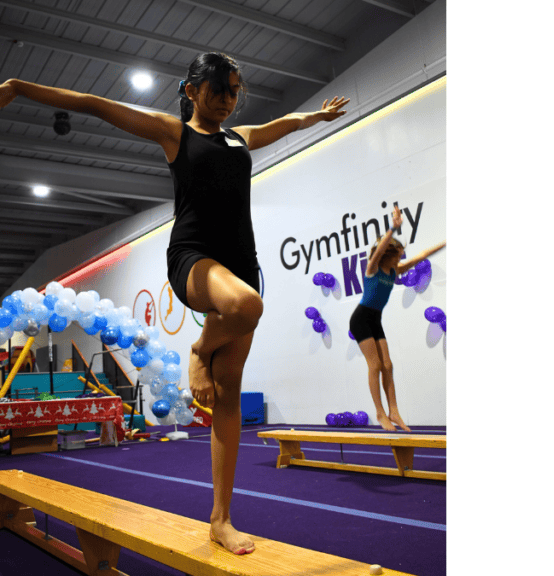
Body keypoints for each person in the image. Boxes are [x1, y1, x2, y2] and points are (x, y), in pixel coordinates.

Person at [0, 52, 352, 554]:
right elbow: (94, 104)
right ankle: (196, 350)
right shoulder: (175, 134)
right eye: (219, 91)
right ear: (191, 90)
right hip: (193, 258)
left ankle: (221, 518)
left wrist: (313, 117)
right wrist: (18, 85)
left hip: (240, 260)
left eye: (234, 91)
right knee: (248, 306)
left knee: (228, 392)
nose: (229, 101)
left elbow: (281, 124)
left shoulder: (240, 137)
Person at [350, 205, 445, 432]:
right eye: (399, 254)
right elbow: (380, 248)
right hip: (361, 318)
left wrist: (446, 242)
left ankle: (394, 411)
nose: (402, 258)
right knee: (374, 365)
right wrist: (393, 228)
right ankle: (380, 413)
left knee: (388, 365)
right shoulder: (373, 268)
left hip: (375, 319)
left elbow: (422, 255)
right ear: (389, 255)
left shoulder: (396, 271)